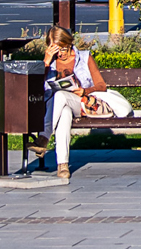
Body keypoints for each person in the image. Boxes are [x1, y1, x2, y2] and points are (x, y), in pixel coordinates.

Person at [40, 26, 130, 179]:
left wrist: (84, 91)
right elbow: (36, 88)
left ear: (69, 44)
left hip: (81, 102)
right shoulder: (50, 62)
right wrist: (46, 63)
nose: (60, 54)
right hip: (56, 107)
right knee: (64, 113)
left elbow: (101, 86)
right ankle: (63, 165)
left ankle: (43, 138)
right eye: (55, 50)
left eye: (63, 49)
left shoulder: (84, 57)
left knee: (61, 96)